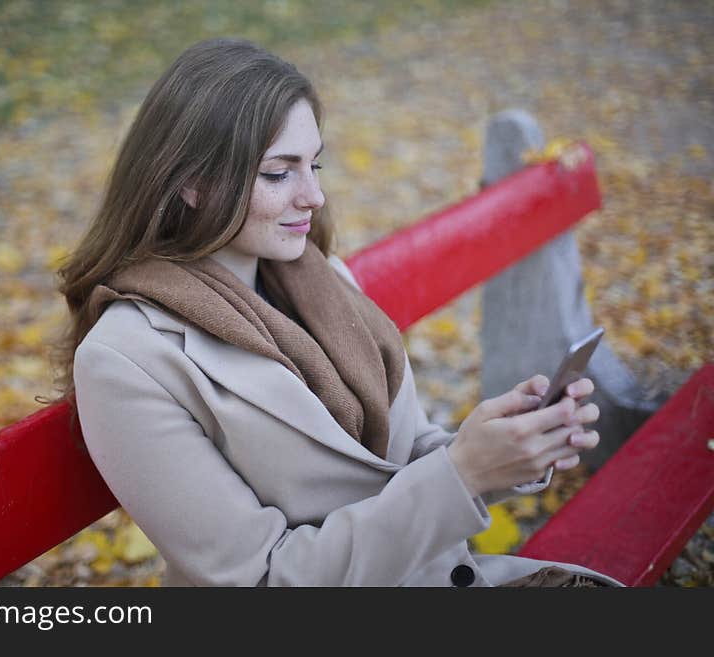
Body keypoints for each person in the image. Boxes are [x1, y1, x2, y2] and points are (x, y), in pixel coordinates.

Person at [57, 38, 621, 587]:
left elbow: (400, 462)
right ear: (192, 185)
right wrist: (464, 473)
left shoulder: (324, 280)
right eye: (279, 173)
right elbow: (262, 579)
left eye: (314, 166)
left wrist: (508, 446)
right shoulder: (126, 359)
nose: (313, 197)